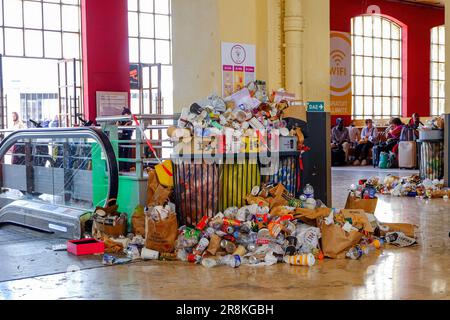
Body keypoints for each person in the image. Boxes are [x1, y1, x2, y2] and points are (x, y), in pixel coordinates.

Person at [117, 107, 133, 172]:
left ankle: (126, 168)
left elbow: (131, 131)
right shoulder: (119, 121)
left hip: (128, 138)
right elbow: (118, 130)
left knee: (127, 153)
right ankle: (120, 167)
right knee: (120, 153)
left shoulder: (130, 121)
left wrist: (129, 126)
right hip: (120, 139)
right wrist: (124, 126)